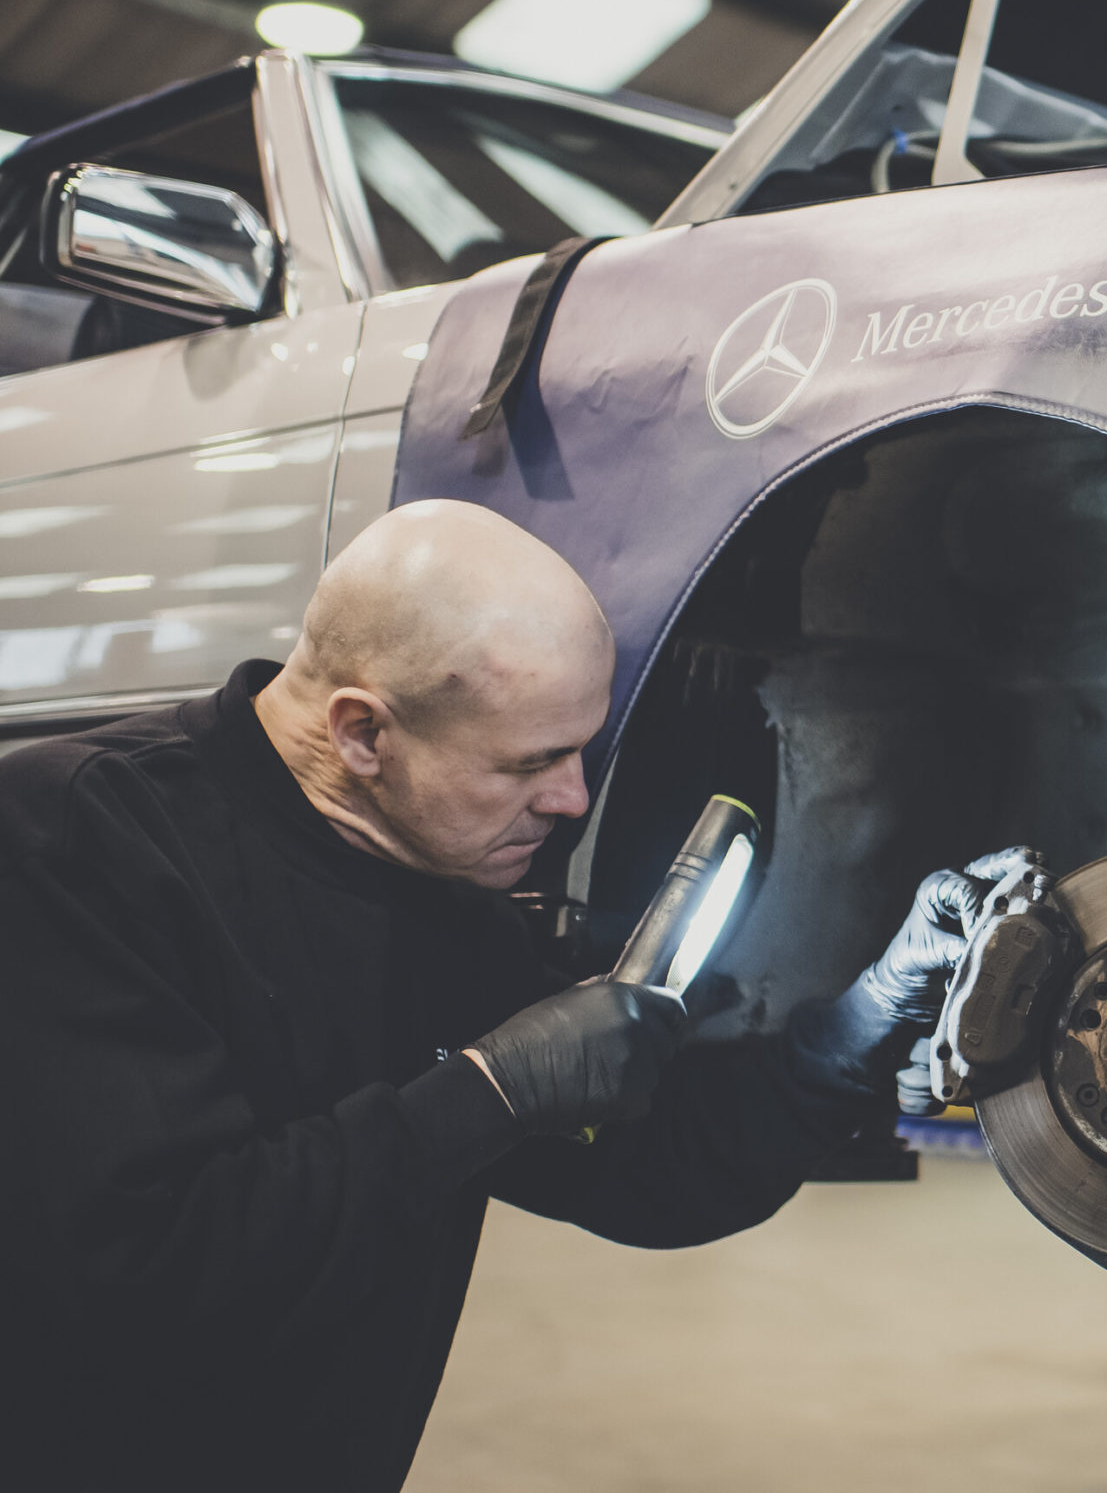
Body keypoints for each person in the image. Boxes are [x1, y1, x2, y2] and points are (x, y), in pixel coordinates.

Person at [0, 499, 1035, 1490]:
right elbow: (144, 1273)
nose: (574, 799)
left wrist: (857, 1025)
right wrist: (484, 1093)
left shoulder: (438, 893)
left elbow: (654, 1166)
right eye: (531, 762)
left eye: (582, 749)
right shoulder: (71, 842)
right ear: (363, 734)